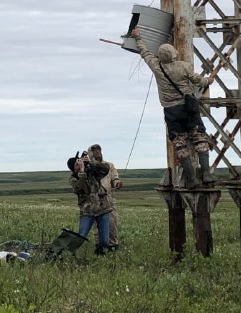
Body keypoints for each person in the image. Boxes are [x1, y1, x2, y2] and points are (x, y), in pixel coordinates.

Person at [130, 28, 215, 188]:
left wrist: (138, 38)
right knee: (199, 137)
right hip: (188, 106)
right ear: (174, 54)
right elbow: (198, 81)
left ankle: (191, 179)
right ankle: (206, 174)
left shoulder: (157, 67)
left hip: (171, 110)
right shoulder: (184, 66)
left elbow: (145, 53)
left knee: (179, 143)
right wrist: (208, 81)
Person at [67, 151, 113, 255]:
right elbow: (79, 188)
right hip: (87, 211)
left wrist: (91, 162)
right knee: (81, 236)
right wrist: (82, 172)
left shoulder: (92, 171)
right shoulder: (73, 179)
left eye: (80, 161)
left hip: (102, 208)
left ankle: (100, 257)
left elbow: (105, 169)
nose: (79, 164)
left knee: (104, 241)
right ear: (73, 168)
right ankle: (68, 253)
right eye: (76, 164)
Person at [88, 144, 123, 250]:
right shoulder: (87, 167)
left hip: (108, 198)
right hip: (95, 200)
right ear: (90, 153)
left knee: (112, 223)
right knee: (97, 224)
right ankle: (99, 246)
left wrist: (117, 182)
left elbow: (114, 178)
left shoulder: (109, 165)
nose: (97, 151)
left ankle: (113, 245)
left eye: (99, 149)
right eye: (94, 150)